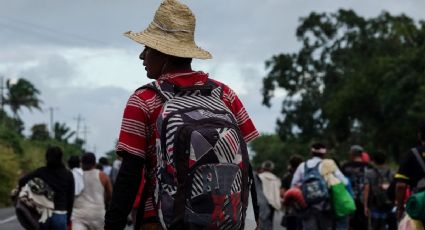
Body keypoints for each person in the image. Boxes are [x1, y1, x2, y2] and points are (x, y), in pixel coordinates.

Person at [104, 0, 259, 229]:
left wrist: (112, 225)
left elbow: (130, 175)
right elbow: (244, 164)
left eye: (147, 49)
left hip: (160, 220)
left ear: (163, 54)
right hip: (221, 219)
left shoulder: (143, 100)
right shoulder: (224, 95)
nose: (141, 56)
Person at [291, 143, 348, 230]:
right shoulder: (328, 164)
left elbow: (293, 185)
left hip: (307, 207)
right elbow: (344, 182)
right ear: (324, 153)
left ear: (311, 152)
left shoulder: (302, 166)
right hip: (326, 206)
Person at [18, 146, 74, 230]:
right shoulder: (68, 174)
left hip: (44, 215)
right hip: (60, 214)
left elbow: (22, 181)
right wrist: (68, 218)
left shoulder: (41, 172)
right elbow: (70, 199)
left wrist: (32, 190)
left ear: (46, 158)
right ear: (61, 158)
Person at [72, 152, 113, 230]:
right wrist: (104, 202)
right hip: (97, 214)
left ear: (81, 163)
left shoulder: (75, 175)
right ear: (95, 163)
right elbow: (110, 195)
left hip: (79, 215)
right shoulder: (102, 175)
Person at [395, 123, 425, 222]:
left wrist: (400, 208)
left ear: (420, 136)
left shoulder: (412, 154)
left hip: (420, 208)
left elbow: (401, 186)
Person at [341, 144, 374, 230]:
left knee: (350, 225)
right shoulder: (369, 167)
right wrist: (367, 205)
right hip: (364, 202)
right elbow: (369, 185)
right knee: (364, 225)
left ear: (352, 154)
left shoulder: (345, 167)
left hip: (349, 201)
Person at [363, 151, 394, 230]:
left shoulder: (369, 173)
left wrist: (365, 205)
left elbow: (367, 188)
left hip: (375, 204)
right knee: (391, 225)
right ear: (385, 160)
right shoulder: (391, 173)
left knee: (376, 226)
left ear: (373, 161)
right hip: (390, 203)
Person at [258, 160, 282, 230]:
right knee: (270, 222)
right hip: (272, 204)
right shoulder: (276, 179)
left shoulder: (259, 177)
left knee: (261, 222)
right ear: (271, 168)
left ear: (263, 167)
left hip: (261, 203)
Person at [281, 155, 303, 230]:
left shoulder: (286, 176)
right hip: (303, 207)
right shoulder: (304, 175)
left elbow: (282, 193)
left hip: (290, 209)